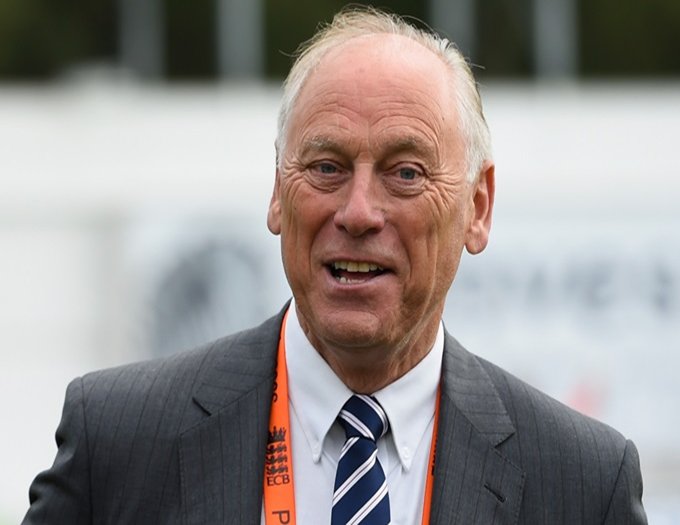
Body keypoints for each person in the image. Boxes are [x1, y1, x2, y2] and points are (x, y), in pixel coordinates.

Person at [23, 7, 647, 524]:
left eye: (406, 173)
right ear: (276, 190)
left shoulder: (583, 484)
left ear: (477, 208)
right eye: (326, 167)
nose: (358, 212)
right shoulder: (118, 444)